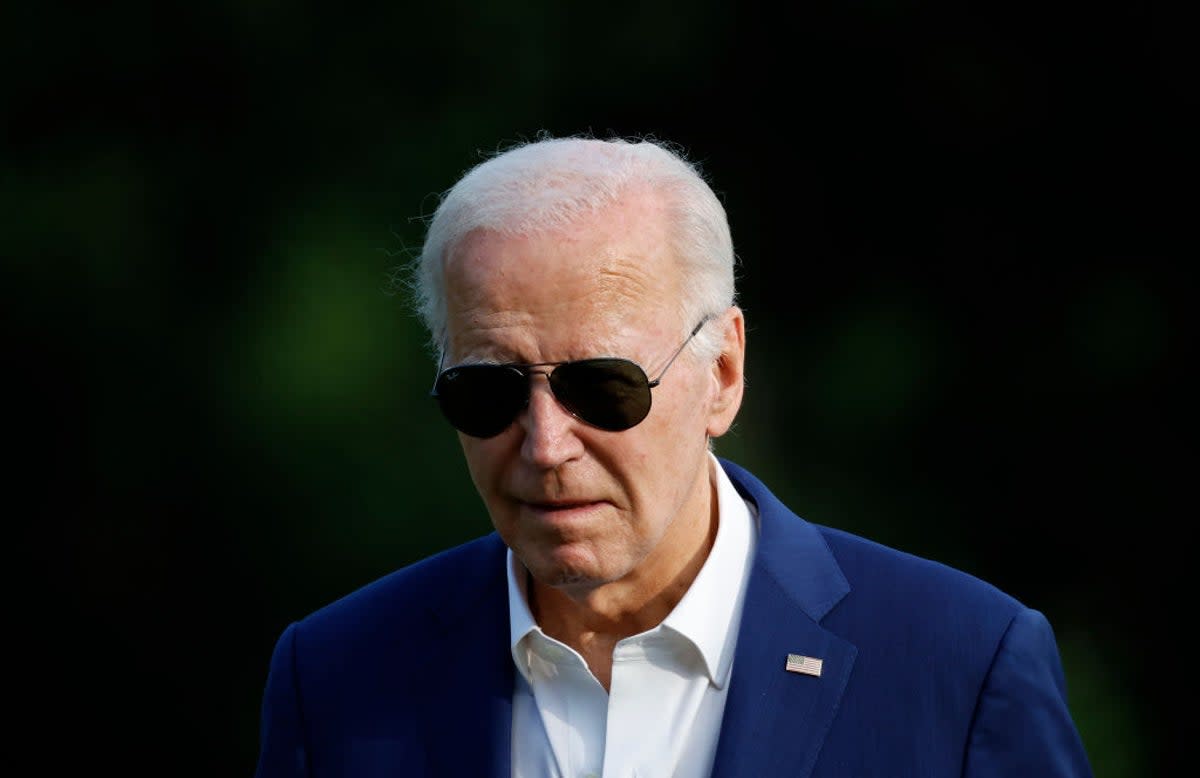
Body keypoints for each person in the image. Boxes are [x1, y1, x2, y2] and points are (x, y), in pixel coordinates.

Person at [254, 133, 1094, 777]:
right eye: (489, 392)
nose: (546, 445)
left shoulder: (960, 667)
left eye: (603, 388)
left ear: (721, 375)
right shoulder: (336, 678)